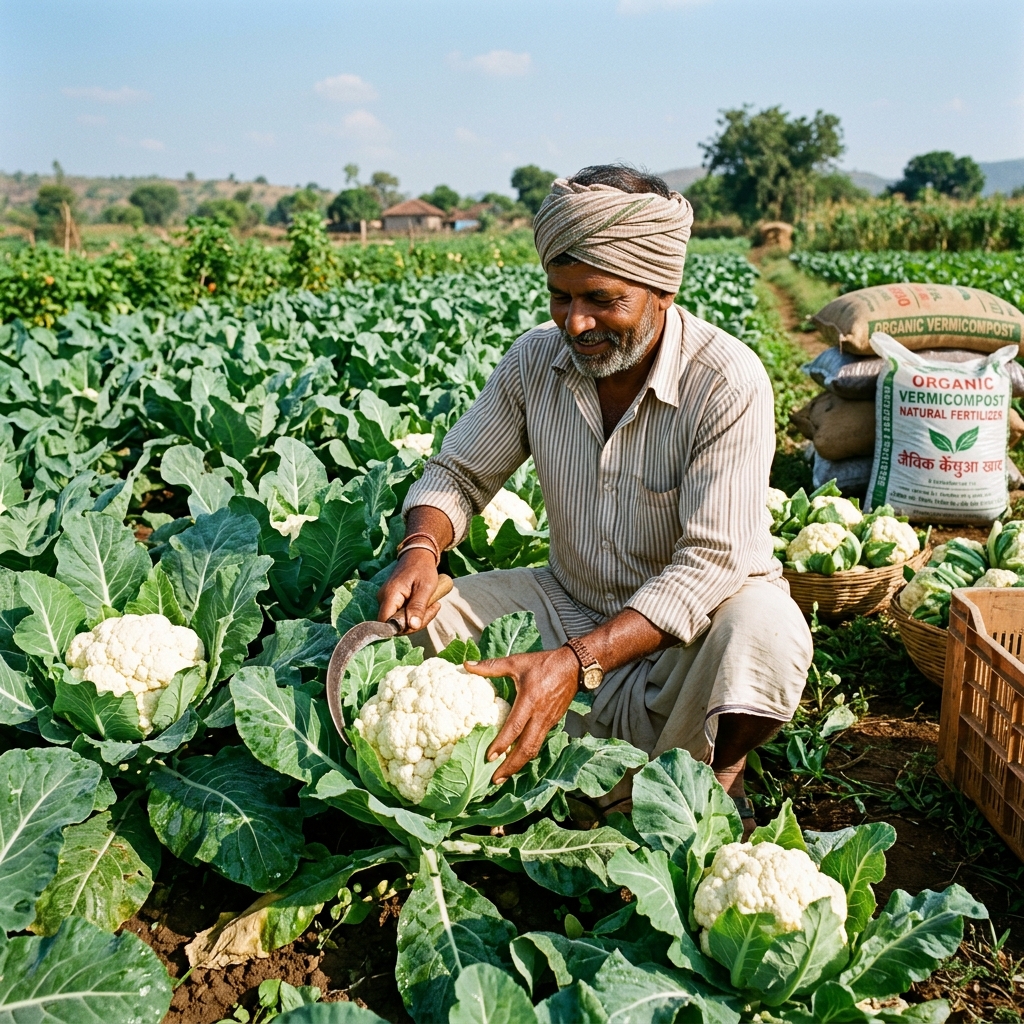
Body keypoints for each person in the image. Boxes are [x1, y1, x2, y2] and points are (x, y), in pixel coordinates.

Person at [376, 164, 813, 830]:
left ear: (662, 289)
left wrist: (577, 663)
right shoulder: (534, 361)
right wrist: (420, 548)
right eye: (560, 297)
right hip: (566, 604)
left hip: (686, 642)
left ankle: (714, 770)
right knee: (414, 625)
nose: (576, 322)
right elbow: (458, 474)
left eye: (602, 300)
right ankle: (578, 766)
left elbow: (710, 564)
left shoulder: (727, 381)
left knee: (766, 632)